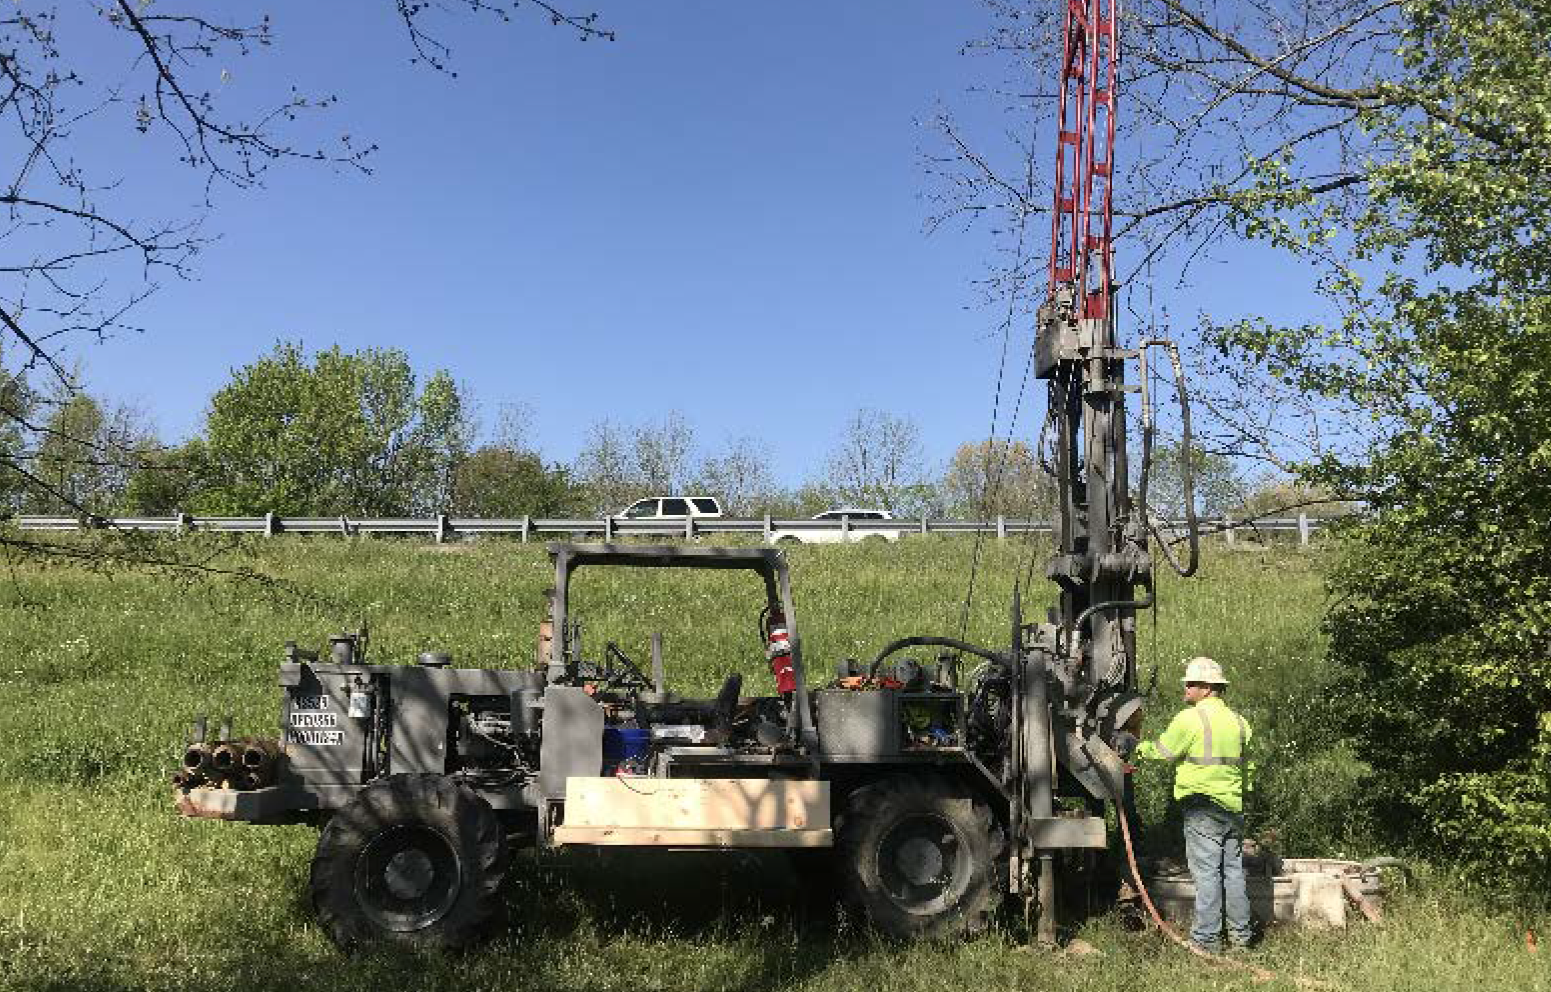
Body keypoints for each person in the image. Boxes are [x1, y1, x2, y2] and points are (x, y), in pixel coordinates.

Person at [1135, 656, 1254, 952]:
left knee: (1207, 875)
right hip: (1232, 809)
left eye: (1191, 683)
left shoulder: (1190, 719)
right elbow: (1247, 770)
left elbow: (1164, 752)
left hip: (1202, 810)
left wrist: (1134, 748)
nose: (1185, 688)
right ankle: (1242, 938)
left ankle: (1206, 940)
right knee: (1233, 873)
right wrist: (1237, 799)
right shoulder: (1240, 723)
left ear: (1208, 688)